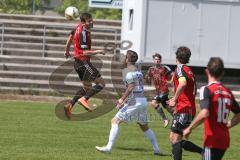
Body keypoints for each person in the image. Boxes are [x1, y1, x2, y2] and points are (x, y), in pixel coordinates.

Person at [95, 50, 166, 156]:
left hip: (136, 102)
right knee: (144, 126)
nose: (124, 59)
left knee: (115, 121)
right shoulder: (138, 71)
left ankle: (108, 148)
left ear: (128, 59)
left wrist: (121, 100)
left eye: (125, 57)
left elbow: (131, 87)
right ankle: (157, 149)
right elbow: (136, 88)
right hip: (142, 101)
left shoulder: (129, 72)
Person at [183, 57, 240, 160]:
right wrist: (227, 126)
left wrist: (189, 128)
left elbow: (204, 113)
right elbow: (239, 114)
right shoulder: (228, 92)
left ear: (207, 71)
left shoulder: (207, 89)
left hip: (212, 140)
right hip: (224, 139)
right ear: (222, 73)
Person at [64, 12, 105, 119]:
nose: (92, 22)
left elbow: (70, 37)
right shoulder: (83, 33)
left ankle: (70, 105)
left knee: (87, 87)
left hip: (77, 63)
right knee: (101, 84)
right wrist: (98, 51)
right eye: (89, 21)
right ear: (84, 22)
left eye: (92, 19)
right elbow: (85, 52)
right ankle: (84, 99)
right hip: (83, 62)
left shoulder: (78, 27)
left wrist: (67, 51)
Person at [168, 46, 203, 160]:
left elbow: (182, 84)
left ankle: (204, 152)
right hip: (187, 108)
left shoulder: (180, 69)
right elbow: (192, 89)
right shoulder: (189, 70)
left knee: (175, 139)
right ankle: (203, 152)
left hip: (185, 109)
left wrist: (174, 99)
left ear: (177, 56)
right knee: (173, 138)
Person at [145, 53, 173, 127]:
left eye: (158, 59)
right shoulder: (151, 69)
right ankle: (177, 117)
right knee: (166, 106)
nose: (157, 61)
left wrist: (170, 82)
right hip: (158, 90)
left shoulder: (164, 68)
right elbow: (148, 79)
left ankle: (165, 119)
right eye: (156, 59)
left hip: (164, 90)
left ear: (160, 60)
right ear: (153, 60)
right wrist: (147, 79)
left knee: (153, 103)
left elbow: (173, 74)